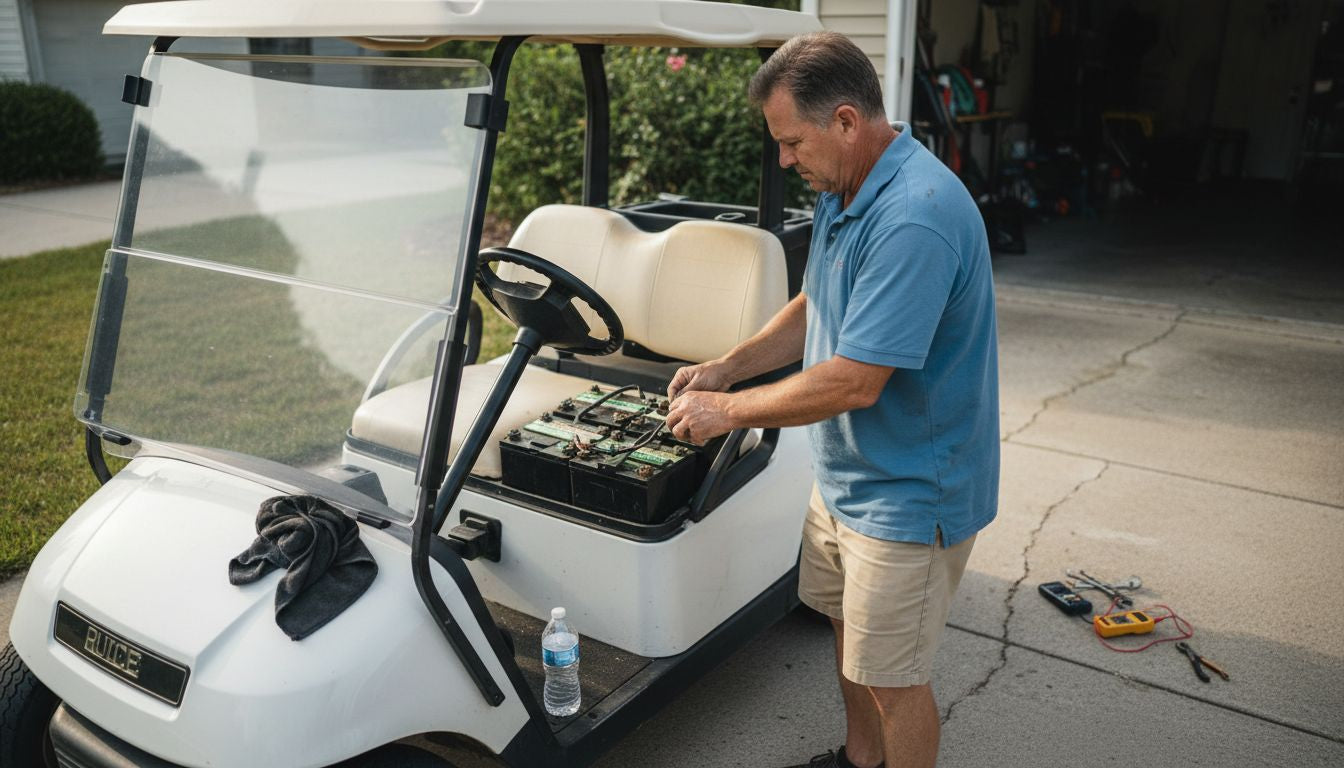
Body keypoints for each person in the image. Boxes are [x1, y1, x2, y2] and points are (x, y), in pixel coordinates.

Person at [664, 31, 999, 768]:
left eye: (791, 142)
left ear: (845, 121)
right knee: (852, 639)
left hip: (910, 493)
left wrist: (730, 412)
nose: (784, 159)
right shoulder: (848, 189)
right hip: (850, 476)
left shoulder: (915, 215)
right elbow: (818, 303)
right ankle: (858, 762)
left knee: (895, 681)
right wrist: (728, 367)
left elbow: (856, 378)